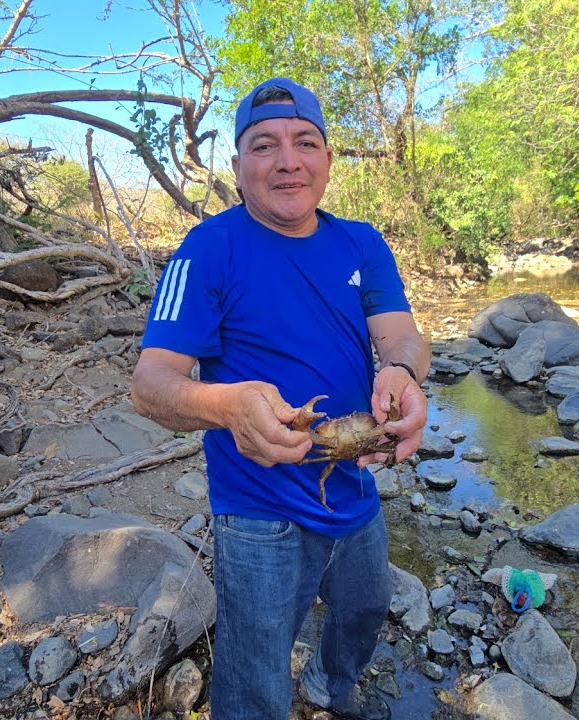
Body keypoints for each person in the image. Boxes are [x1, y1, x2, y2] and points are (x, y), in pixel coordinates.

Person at [130, 77, 430, 720]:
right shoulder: (209, 248)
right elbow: (149, 384)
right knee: (256, 661)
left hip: (351, 481)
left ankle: (325, 692)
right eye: (263, 145)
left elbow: (401, 335)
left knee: (364, 610)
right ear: (237, 168)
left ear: (327, 159)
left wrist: (402, 374)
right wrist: (226, 406)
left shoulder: (362, 243)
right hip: (256, 506)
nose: (287, 160)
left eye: (305, 142)